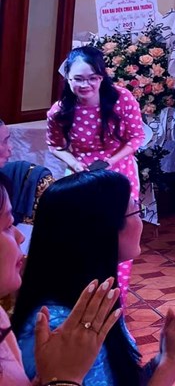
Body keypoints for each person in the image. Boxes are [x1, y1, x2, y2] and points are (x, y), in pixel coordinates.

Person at [14, 170, 175, 386]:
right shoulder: (60, 327)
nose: (141, 222)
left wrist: (167, 354)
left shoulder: (92, 300)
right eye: (135, 211)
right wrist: (173, 361)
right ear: (103, 229)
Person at [1, 173, 119, 386]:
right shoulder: (56, 323)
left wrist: (170, 361)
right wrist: (64, 380)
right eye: (8, 225)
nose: (21, 236)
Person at [46, 47, 146, 297]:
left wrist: (110, 161)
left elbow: (136, 137)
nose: (85, 85)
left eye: (92, 78)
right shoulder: (59, 111)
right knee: (85, 239)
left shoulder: (122, 98)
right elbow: (55, 145)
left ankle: (117, 301)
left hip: (119, 174)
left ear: (102, 76)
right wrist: (75, 163)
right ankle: (88, 301)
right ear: (68, 78)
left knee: (120, 238)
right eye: (78, 79)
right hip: (82, 178)